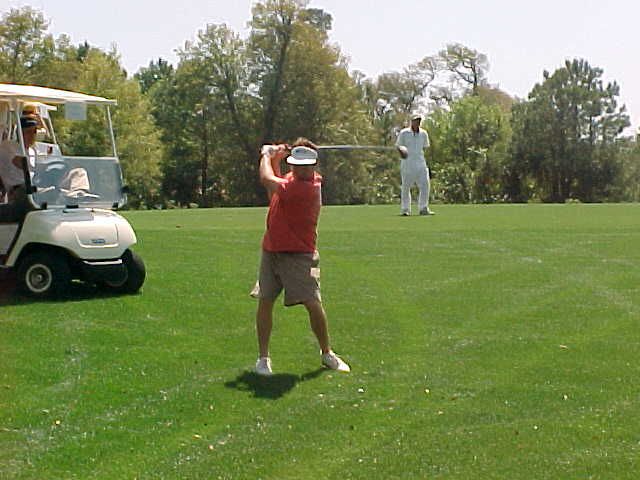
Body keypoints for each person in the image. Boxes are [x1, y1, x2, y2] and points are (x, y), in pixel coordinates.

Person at [250, 138, 350, 376]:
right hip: (272, 249)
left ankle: (327, 352)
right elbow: (274, 193)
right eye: (296, 166)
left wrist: (266, 155)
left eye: (305, 167)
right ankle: (263, 359)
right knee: (265, 301)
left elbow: (267, 179)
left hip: (299, 255)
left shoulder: (308, 187)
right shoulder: (291, 180)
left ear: (314, 166)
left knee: (312, 303)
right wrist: (276, 160)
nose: (300, 170)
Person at [395, 114, 434, 216]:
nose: (417, 122)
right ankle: (405, 209)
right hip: (407, 163)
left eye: (419, 120)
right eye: (416, 120)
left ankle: (423, 208)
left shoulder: (424, 133)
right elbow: (398, 146)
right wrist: (401, 151)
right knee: (406, 187)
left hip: (420, 163)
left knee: (425, 185)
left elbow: (425, 147)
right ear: (411, 121)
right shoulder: (404, 133)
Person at [0, 117, 37, 222]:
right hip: (18, 190)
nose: (32, 136)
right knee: (27, 192)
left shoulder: (33, 151)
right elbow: (19, 163)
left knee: (77, 174)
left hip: (34, 186)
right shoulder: (8, 146)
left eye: (34, 132)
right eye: (28, 132)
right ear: (19, 133)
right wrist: (40, 167)